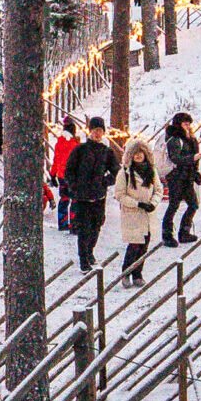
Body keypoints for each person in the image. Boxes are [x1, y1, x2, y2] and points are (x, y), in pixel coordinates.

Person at [62, 117, 120, 273]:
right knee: (84, 229)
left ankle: (90, 252)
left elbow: (116, 171)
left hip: (98, 196)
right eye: (95, 130)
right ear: (90, 131)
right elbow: (69, 170)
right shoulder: (80, 150)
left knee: (96, 226)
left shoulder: (107, 152)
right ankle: (83, 259)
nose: (97, 133)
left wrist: (105, 181)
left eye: (100, 131)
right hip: (82, 197)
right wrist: (74, 187)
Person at [116, 135, 161, 284]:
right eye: (135, 153)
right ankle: (126, 273)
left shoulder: (151, 171)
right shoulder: (125, 173)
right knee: (134, 245)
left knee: (144, 246)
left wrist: (153, 203)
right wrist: (137, 204)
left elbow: (158, 190)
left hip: (147, 214)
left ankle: (138, 274)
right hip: (132, 214)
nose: (138, 155)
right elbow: (120, 195)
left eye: (141, 152)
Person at [161, 111, 200, 245]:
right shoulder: (175, 139)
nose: (188, 126)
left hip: (187, 176)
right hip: (176, 176)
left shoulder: (190, 139)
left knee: (193, 205)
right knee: (174, 205)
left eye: (189, 124)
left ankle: (184, 232)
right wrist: (192, 158)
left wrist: (195, 173)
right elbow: (175, 158)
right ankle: (167, 235)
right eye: (185, 124)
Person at [51, 116, 80, 231]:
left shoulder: (59, 143)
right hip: (73, 177)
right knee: (75, 200)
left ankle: (62, 223)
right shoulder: (75, 144)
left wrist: (53, 174)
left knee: (64, 199)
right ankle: (74, 224)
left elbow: (56, 160)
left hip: (61, 176)